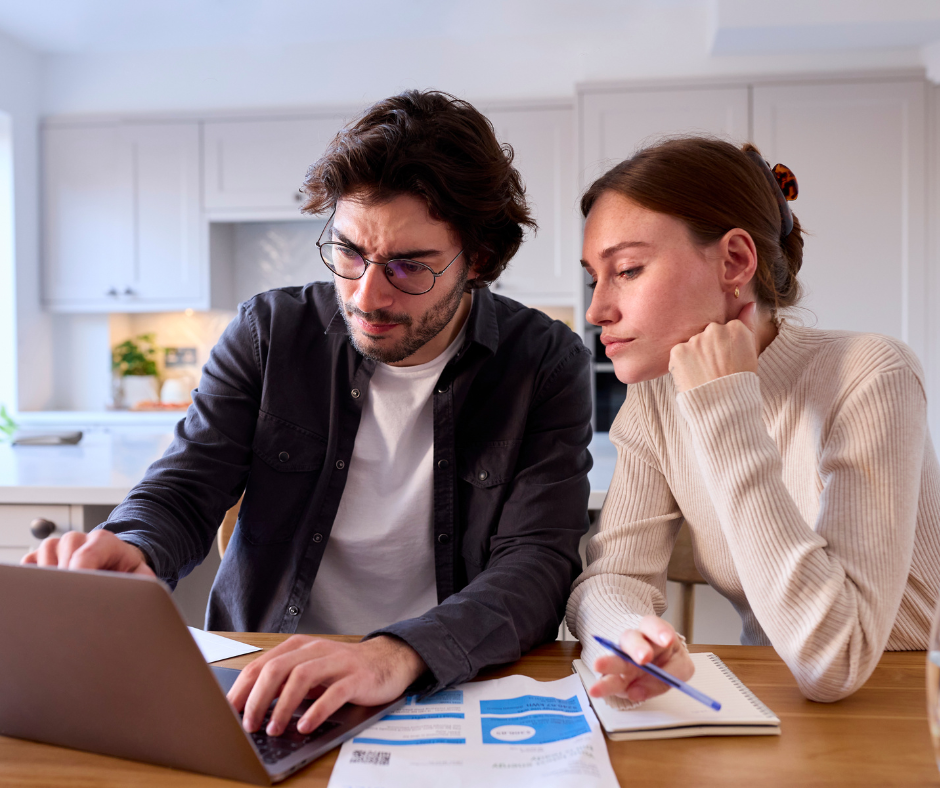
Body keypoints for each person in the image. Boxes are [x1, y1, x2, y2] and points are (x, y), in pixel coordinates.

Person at [24, 90, 593, 737]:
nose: (367, 294)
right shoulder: (270, 331)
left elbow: (537, 563)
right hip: (262, 677)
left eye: (410, 267)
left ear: (479, 261)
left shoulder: (543, 362)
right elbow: (187, 484)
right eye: (349, 252)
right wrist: (133, 542)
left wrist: (395, 653)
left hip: (442, 683)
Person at [567, 136, 940, 705]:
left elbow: (833, 661)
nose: (597, 311)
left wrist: (724, 403)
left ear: (735, 261)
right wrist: (627, 639)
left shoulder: (871, 373)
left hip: (909, 703)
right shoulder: (659, 396)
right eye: (597, 277)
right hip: (777, 703)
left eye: (628, 269)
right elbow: (613, 576)